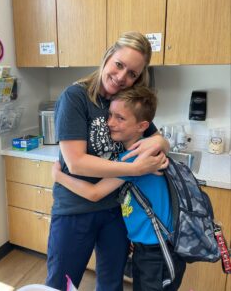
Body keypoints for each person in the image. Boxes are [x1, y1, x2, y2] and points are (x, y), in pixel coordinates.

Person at [46, 31, 170, 291]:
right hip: (74, 211)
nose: (122, 76)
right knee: (61, 284)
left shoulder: (124, 101)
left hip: (115, 210)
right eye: (119, 64)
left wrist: (160, 142)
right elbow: (77, 162)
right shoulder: (75, 97)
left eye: (132, 73)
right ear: (108, 57)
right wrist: (133, 168)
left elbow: (157, 138)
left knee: (111, 284)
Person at [52, 86, 186, 291]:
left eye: (120, 118)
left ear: (142, 126)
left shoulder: (133, 158)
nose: (110, 123)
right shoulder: (146, 151)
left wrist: (59, 176)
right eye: (110, 115)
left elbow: (94, 193)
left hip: (157, 250)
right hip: (154, 244)